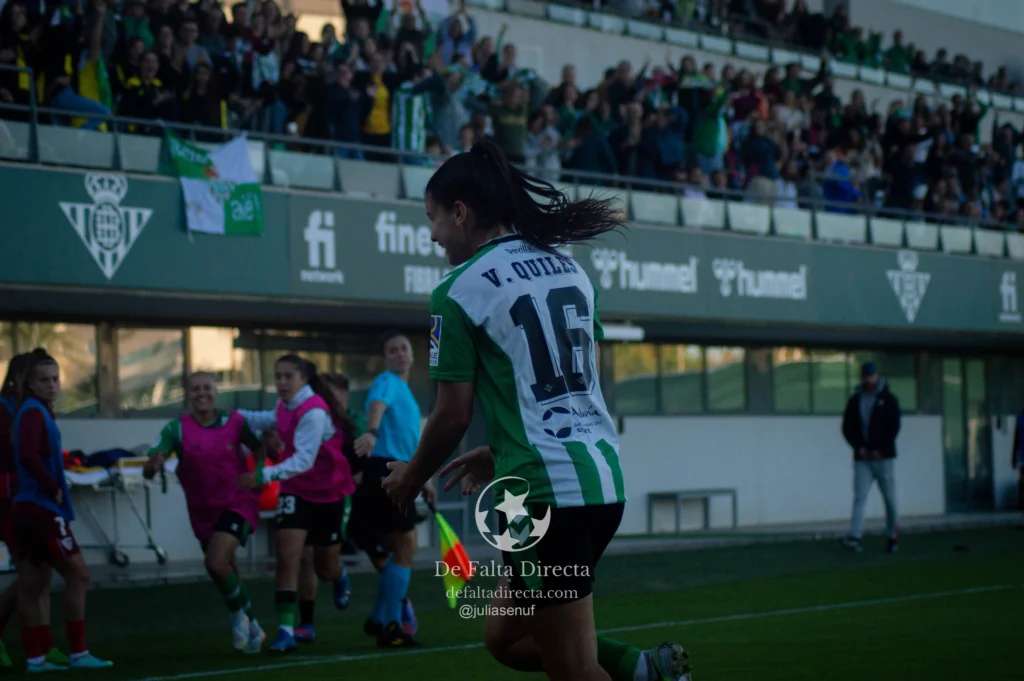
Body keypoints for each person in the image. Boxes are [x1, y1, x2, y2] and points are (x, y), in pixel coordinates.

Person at [381, 138, 692, 681]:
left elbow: (452, 414)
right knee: (505, 636)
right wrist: (500, 451)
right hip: (601, 482)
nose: (431, 235)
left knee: (571, 668)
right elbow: (577, 386)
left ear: (460, 212)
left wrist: (409, 477)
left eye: (432, 219)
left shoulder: (455, 292)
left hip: (546, 500)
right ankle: (644, 670)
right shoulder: (568, 269)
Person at [235, 355, 356, 653]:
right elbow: (265, 419)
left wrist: (262, 474)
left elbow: (304, 460)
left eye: (289, 376)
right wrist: (229, 416)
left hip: (330, 494)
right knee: (287, 558)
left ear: (303, 379)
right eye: (278, 376)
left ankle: (339, 574)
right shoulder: (285, 406)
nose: (282, 382)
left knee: (324, 568)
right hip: (295, 491)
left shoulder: (314, 411)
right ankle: (287, 631)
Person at [142, 372, 267, 653]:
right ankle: (255, 627)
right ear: (187, 394)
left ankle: (237, 617)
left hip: (237, 502)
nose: (202, 394)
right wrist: (155, 464)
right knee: (225, 569)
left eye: (207, 388)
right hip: (202, 510)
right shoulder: (177, 429)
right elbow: (149, 466)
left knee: (215, 562)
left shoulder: (234, 421)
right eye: (195, 389)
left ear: (215, 391)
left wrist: (258, 474)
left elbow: (260, 448)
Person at [12, 349, 112, 671]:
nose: (52, 385)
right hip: (40, 509)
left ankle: (36, 658)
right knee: (78, 573)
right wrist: (51, 485)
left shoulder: (35, 411)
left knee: (33, 582)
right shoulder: (32, 413)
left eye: (55, 379)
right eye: (44, 380)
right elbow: (27, 454)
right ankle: (78, 652)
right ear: (30, 383)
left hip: (27, 509)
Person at [349, 331, 434, 648]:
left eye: (404, 349)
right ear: (386, 358)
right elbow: (377, 406)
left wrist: (424, 481)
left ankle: (379, 619)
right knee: (405, 550)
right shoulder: (386, 382)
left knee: (402, 550)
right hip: (386, 471)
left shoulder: (406, 391)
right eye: (393, 350)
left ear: (411, 355)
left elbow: (406, 444)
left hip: (396, 471)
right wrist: (371, 432)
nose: (399, 354)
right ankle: (392, 625)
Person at [294, 373, 359, 643]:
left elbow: (360, 464)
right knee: (304, 558)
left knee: (325, 567)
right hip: (304, 495)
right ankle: (306, 623)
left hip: (335, 499)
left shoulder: (349, 425)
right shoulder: (309, 419)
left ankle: (339, 573)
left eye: (335, 395)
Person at [841, 361, 902, 553]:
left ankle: (892, 536)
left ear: (877, 376)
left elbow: (894, 427)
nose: (868, 379)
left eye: (871, 376)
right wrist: (859, 447)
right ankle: (855, 536)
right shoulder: (855, 400)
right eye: (865, 376)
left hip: (883, 459)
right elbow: (847, 427)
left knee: (890, 500)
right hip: (863, 459)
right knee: (859, 497)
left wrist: (881, 449)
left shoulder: (888, 399)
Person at [0, 353, 30, 669]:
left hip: (20, 499)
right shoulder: (8, 410)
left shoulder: (28, 409)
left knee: (34, 573)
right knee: (29, 572)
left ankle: (38, 646)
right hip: (7, 500)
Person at [1011, 403, 1024, 526]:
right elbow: (1016, 439)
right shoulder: (1019, 418)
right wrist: (1013, 458)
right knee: (1022, 484)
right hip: (1022, 458)